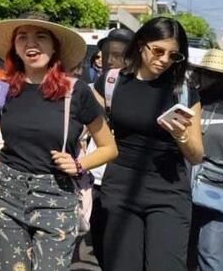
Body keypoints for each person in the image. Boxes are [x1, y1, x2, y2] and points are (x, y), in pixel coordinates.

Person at [0, 14, 118, 271]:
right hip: (7, 196)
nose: (31, 43)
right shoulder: (3, 88)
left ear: (55, 46)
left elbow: (109, 148)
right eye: (22, 37)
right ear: (14, 47)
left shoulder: (76, 91)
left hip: (57, 199)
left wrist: (79, 164)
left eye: (41, 36)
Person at [95, 16, 204, 271]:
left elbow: (197, 155)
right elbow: (86, 131)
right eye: (158, 50)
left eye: (173, 55)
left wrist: (180, 135)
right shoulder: (111, 82)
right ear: (141, 43)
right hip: (119, 188)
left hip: (169, 193)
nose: (165, 59)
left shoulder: (184, 91)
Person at [86, 26, 133, 266]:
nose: (110, 61)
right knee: (99, 238)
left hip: (125, 179)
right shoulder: (91, 89)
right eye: (106, 55)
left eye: (117, 55)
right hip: (95, 178)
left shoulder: (141, 90)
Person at [191, 48, 223, 271]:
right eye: (206, 73)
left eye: (216, 75)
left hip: (218, 193)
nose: (209, 79)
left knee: (210, 252)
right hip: (186, 188)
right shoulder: (192, 103)